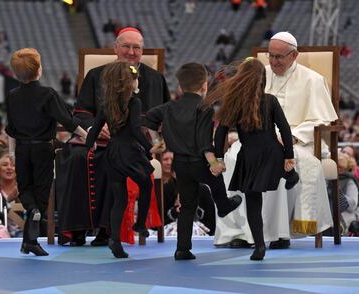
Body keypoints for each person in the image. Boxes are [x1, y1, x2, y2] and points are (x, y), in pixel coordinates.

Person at [214, 31, 338, 249]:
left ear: (294, 55)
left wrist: (292, 138)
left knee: (279, 159)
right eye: (270, 56)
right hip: (256, 139)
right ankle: (240, 232)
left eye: (278, 57)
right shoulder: (259, 76)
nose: (272, 61)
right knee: (233, 157)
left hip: (298, 142)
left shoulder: (313, 80)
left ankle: (278, 233)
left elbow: (319, 120)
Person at [56, 27, 170, 247]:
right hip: (99, 140)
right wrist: (96, 129)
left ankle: (108, 231)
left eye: (136, 47)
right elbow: (82, 113)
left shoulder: (155, 79)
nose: (131, 52)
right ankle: (77, 229)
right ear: (115, 48)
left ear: (142, 50)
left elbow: (161, 118)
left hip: (133, 144)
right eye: (126, 46)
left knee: (116, 160)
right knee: (78, 159)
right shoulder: (96, 75)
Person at [146, 63, 242, 260]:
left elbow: (148, 119)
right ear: (204, 85)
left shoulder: (168, 107)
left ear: (180, 87)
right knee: (215, 181)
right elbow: (204, 142)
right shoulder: (204, 108)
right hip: (199, 161)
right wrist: (214, 163)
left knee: (187, 205)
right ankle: (223, 206)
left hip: (179, 164)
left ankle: (182, 248)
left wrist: (158, 140)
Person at [204, 57, 296, 260]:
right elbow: (285, 128)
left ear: (241, 79)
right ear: (263, 79)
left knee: (254, 204)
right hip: (273, 153)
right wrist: (289, 155)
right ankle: (291, 176)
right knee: (285, 170)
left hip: (249, 157)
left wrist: (218, 157)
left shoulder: (235, 103)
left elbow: (221, 132)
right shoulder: (270, 100)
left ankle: (259, 246)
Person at [5, 48, 87, 256]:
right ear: (39, 70)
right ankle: (32, 230)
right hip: (42, 148)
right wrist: (88, 136)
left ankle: (28, 240)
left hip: (22, 148)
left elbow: (11, 129)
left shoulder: (12, 96)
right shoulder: (47, 94)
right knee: (41, 192)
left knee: (25, 188)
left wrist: (12, 153)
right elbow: (67, 120)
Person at [85, 62, 159, 258]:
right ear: (129, 82)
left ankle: (115, 240)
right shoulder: (134, 102)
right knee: (146, 185)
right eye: (135, 79)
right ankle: (141, 223)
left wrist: (89, 146)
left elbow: (95, 127)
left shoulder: (105, 103)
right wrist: (149, 147)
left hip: (112, 153)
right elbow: (135, 130)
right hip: (130, 153)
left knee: (119, 199)